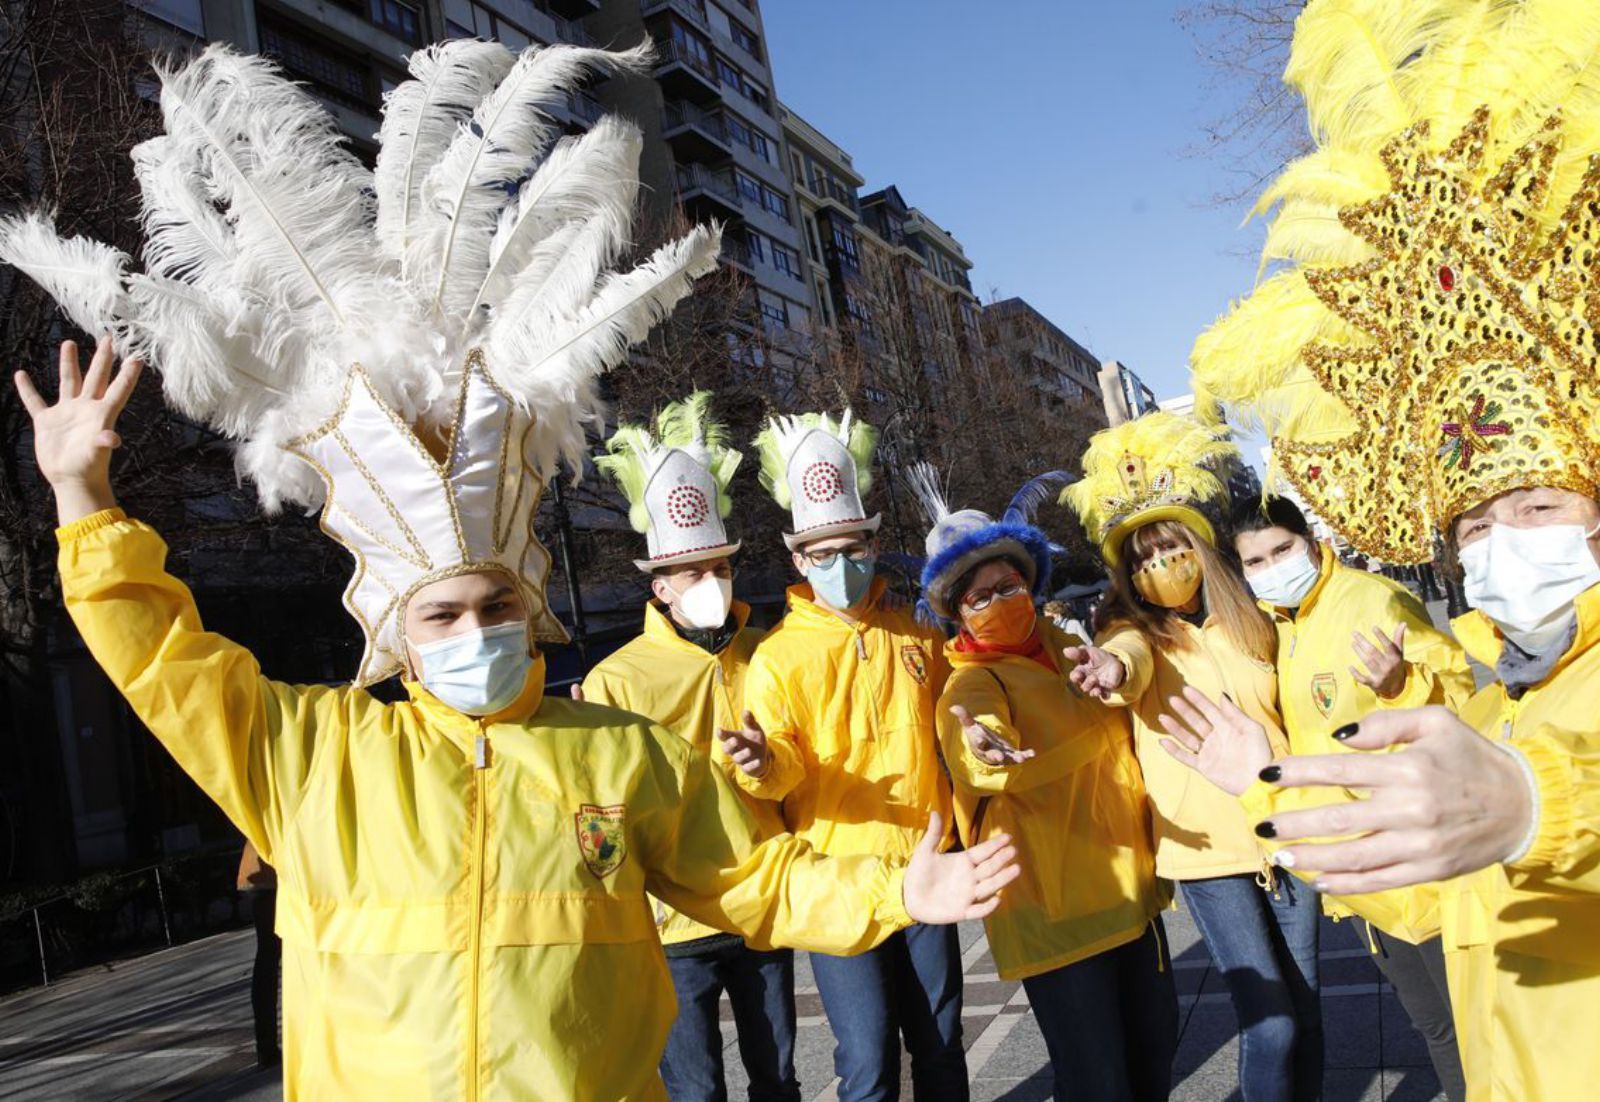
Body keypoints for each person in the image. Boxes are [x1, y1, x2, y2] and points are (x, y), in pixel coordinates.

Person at [0, 41, 1019, 1100]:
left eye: (495, 605)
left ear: (530, 607)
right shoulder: (311, 755)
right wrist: (84, 500)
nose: (474, 629)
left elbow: (753, 877)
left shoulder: (621, 758)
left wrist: (899, 886)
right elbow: (162, 661)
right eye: (442, 612)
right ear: (396, 626)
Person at [1185, 4, 1600, 1097]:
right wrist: (1267, 790)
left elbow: (1543, 797)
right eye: (1471, 522)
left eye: (1536, 505)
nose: (1501, 543)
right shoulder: (1502, 681)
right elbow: (1426, 890)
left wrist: (1533, 801)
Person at [1060, 411, 1323, 1102]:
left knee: (1308, 1013)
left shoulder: (1255, 616)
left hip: (1288, 827)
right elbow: (1127, 662)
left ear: (1200, 548)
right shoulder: (1134, 631)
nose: (1159, 566)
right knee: (1270, 1027)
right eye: (1142, 559)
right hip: (1208, 851)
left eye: (1170, 548)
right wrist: (1110, 672)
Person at [909, 465, 1176, 1102]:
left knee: (1154, 1057)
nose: (1000, 601)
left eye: (1008, 585)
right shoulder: (972, 680)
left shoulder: (1069, 645)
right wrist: (982, 749)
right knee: (1097, 1082)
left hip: (1132, 894)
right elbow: (968, 732)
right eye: (978, 598)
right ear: (958, 616)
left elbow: (1132, 649)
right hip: (1059, 919)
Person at [732, 411, 966, 1102]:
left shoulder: (914, 632)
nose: (841, 565)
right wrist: (758, 761)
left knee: (943, 1047)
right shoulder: (776, 656)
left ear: (873, 542)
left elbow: (956, 719)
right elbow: (783, 764)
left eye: (852, 548)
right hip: (836, 878)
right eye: (822, 555)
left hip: (926, 862)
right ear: (798, 559)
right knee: (865, 1064)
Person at [581, 394, 799, 1102]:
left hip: (762, 894)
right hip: (670, 922)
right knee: (696, 1091)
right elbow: (597, 803)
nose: (712, 582)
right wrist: (605, 898)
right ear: (660, 585)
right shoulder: (615, 679)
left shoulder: (767, 653)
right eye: (694, 572)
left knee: (778, 1078)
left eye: (721, 567)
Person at [1222, 495, 1472, 1100]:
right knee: (1435, 1026)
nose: (1272, 567)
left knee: (1471, 1026)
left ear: (1309, 539)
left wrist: (1402, 683)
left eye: (1282, 549)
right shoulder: (1280, 628)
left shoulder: (1369, 600)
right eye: (1254, 561)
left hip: (1422, 863)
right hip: (1361, 877)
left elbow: (1466, 700)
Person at [236, 842, 280, 1068]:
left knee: (267, 958)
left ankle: (266, 1045)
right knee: (274, 958)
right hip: (278, 870)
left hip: (260, 870)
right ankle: (267, 1045)